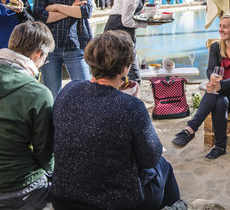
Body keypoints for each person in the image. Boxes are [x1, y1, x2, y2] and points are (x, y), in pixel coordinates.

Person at [52, 31, 182, 210]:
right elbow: (150, 158)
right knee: (163, 166)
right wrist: (135, 104)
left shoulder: (69, 90)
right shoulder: (131, 106)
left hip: (63, 198)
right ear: (125, 68)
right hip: (115, 203)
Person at [172, 14, 230, 159]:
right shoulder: (216, 46)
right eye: (220, 26)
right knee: (220, 101)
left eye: (225, 26)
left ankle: (190, 128)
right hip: (221, 92)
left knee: (216, 92)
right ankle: (220, 146)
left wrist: (218, 85)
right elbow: (210, 69)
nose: (221, 29)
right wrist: (213, 78)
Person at [0, 22, 55, 210]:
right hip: (20, 185)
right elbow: (45, 152)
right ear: (38, 54)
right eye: (45, 60)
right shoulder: (38, 93)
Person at [33, 0, 93, 99]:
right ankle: (54, 123)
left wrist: (56, 7)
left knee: (85, 93)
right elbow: (40, 15)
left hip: (76, 45)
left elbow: (86, 12)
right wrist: (72, 10)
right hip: (49, 47)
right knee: (52, 94)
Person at [104, 0, 166, 83]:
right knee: (133, 78)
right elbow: (126, 21)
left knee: (123, 78)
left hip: (124, 35)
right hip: (117, 35)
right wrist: (149, 23)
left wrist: (148, 15)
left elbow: (131, 14)